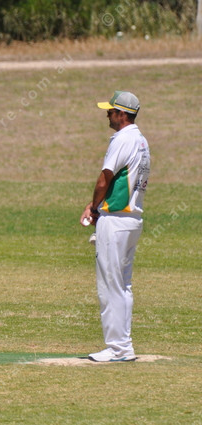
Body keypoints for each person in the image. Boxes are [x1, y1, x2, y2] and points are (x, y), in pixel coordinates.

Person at [80, 91, 150, 362]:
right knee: (122, 285)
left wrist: (93, 208)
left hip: (116, 220)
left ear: (122, 114)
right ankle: (124, 346)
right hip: (132, 219)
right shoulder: (141, 140)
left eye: (110, 111)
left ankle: (117, 348)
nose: (107, 115)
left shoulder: (123, 139)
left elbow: (105, 178)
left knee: (110, 286)